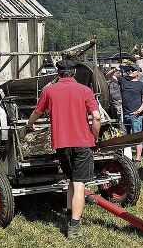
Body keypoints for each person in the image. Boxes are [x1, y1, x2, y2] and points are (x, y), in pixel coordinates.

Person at [26, 60, 100, 240]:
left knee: (71, 179)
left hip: (61, 145)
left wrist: (29, 124)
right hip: (82, 144)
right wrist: (94, 138)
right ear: (74, 72)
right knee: (79, 184)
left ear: (57, 73)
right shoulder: (85, 90)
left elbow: (37, 111)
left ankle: (69, 212)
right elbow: (96, 117)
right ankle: (74, 227)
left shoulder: (48, 90)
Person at [106, 64, 143, 165]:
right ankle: (126, 158)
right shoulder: (123, 80)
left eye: (133, 70)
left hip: (136, 115)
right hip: (124, 114)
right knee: (125, 136)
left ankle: (138, 159)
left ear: (137, 73)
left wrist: (138, 111)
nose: (130, 71)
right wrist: (114, 69)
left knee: (137, 137)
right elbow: (108, 76)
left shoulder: (141, 85)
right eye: (130, 70)